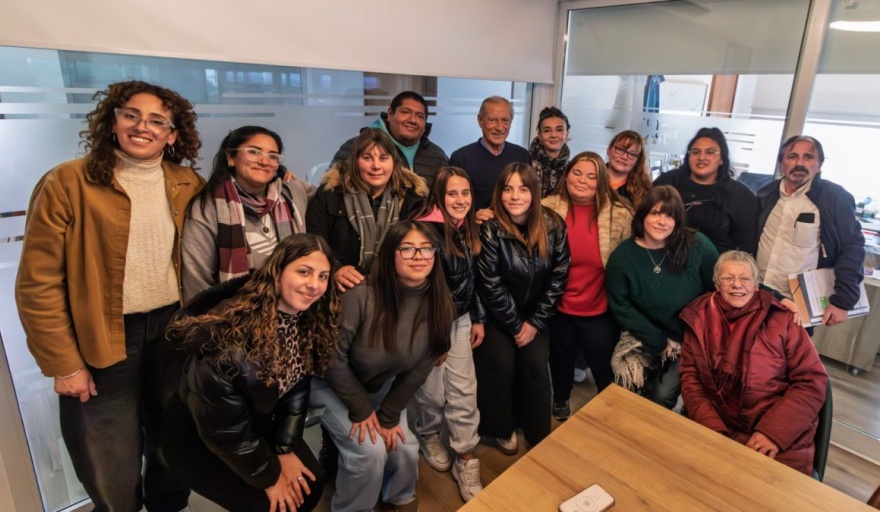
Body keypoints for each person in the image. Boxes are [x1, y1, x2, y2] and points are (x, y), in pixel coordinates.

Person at [15, 80, 203, 512]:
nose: (142, 127)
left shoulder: (187, 182)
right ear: (113, 121)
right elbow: (37, 283)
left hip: (173, 329)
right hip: (103, 335)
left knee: (175, 435)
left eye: (157, 121)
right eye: (131, 115)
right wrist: (64, 363)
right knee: (108, 453)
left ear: (172, 135)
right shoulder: (68, 181)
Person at [163, 234, 337, 511]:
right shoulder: (227, 342)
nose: (315, 285)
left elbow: (296, 389)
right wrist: (269, 477)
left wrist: (285, 448)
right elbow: (223, 432)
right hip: (200, 437)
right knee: (271, 505)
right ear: (277, 272)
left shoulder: (305, 320)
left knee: (310, 484)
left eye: (323, 276)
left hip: (251, 421)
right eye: (304, 272)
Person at [310, 220, 455, 512]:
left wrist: (388, 416)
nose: (418, 256)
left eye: (427, 248)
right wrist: (362, 410)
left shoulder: (441, 303)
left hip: (377, 384)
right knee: (369, 450)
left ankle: (398, 495)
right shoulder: (360, 295)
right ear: (390, 254)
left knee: (404, 447)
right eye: (408, 248)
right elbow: (330, 358)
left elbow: (420, 368)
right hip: (330, 383)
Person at [680, 250, 827, 475]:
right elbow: (691, 379)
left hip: (774, 428)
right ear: (717, 284)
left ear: (757, 285)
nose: (736, 284)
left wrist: (773, 433)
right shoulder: (698, 317)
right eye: (728, 278)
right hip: (718, 424)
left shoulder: (783, 320)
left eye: (745, 278)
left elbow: (812, 381)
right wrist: (712, 429)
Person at [475, 163, 570, 452]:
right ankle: (500, 429)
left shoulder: (553, 224)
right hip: (498, 315)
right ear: (499, 193)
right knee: (501, 364)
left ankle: (537, 431)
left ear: (534, 193)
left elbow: (559, 276)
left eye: (523, 189)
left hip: (536, 315)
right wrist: (517, 326)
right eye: (508, 189)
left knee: (536, 367)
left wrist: (534, 323)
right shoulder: (489, 228)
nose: (515, 196)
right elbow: (490, 283)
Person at [410, 167, 485, 502]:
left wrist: (478, 317)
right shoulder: (424, 231)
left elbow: (471, 279)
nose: (460, 200)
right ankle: (428, 433)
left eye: (465, 193)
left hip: (461, 318)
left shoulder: (464, 227)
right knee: (432, 391)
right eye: (452, 193)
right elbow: (423, 293)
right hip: (429, 323)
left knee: (464, 389)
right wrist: (439, 337)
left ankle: (466, 456)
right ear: (438, 196)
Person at [605, 185, 718, 409]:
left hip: (685, 339)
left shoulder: (697, 245)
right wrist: (657, 341)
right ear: (642, 215)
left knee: (662, 395)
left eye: (670, 215)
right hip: (641, 334)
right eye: (655, 213)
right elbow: (621, 306)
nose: (662, 221)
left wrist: (778, 297)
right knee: (623, 384)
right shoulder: (622, 257)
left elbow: (722, 281)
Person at [542, 152, 633, 420]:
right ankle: (561, 398)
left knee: (603, 363)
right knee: (560, 357)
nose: (582, 180)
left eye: (592, 176)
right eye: (577, 173)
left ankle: (609, 407)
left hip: (599, 307)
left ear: (602, 181)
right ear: (567, 174)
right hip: (559, 305)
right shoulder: (546, 207)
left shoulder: (620, 214)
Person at [181, 125, 315, 303]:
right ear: (231, 157)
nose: (264, 161)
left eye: (273, 156)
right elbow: (197, 276)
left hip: (293, 307)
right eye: (254, 152)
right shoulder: (208, 206)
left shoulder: (292, 191)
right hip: (234, 312)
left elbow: (333, 198)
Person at [756, 135, 865, 327]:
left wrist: (843, 301)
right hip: (759, 293)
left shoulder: (834, 198)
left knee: (792, 347)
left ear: (819, 165)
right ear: (781, 164)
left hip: (799, 306)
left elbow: (852, 248)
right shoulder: (765, 193)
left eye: (808, 157)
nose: (799, 163)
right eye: (792, 156)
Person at [306, 127, 428, 293]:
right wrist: (334, 269)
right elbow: (313, 243)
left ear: (393, 162)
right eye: (367, 158)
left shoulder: (412, 199)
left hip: (395, 291)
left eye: (383, 158)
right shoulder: (330, 193)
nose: (376, 166)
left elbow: (420, 249)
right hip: (342, 291)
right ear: (355, 161)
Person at [654, 127, 758, 255]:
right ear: (689, 156)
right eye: (696, 152)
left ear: (722, 159)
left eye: (710, 152)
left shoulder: (740, 195)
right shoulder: (668, 182)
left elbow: (746, 248)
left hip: (715, 264)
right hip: (663, 259)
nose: (702, 157)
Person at [330, 91, 449, 186]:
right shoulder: (354, 148)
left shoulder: (437, 156)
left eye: (420, 116)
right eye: (405, 112)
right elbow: (330, 195)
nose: (413, 120)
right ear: (390, 113)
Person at [449, 96, 531, 216]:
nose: (499, 127)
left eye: (505, 120)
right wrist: (473, 217)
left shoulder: (522, 156)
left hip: (516, 225)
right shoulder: (460, 158)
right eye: (492, 120)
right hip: (477, 225)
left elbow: (530, 197)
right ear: (480, 120)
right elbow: (452, 202)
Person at [529, 106, 571, 198]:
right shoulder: (526, 163)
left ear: (566, 135)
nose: (553, 135)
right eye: (547, 130)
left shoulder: (572, 169)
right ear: (540, 136)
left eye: (559, 130)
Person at [605, 129, 653, 209]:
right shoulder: (591, 177)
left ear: (638, 160)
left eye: (632, 154)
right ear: (609, 149)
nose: (624, 157)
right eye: (620, 149)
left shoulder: (644, 191)